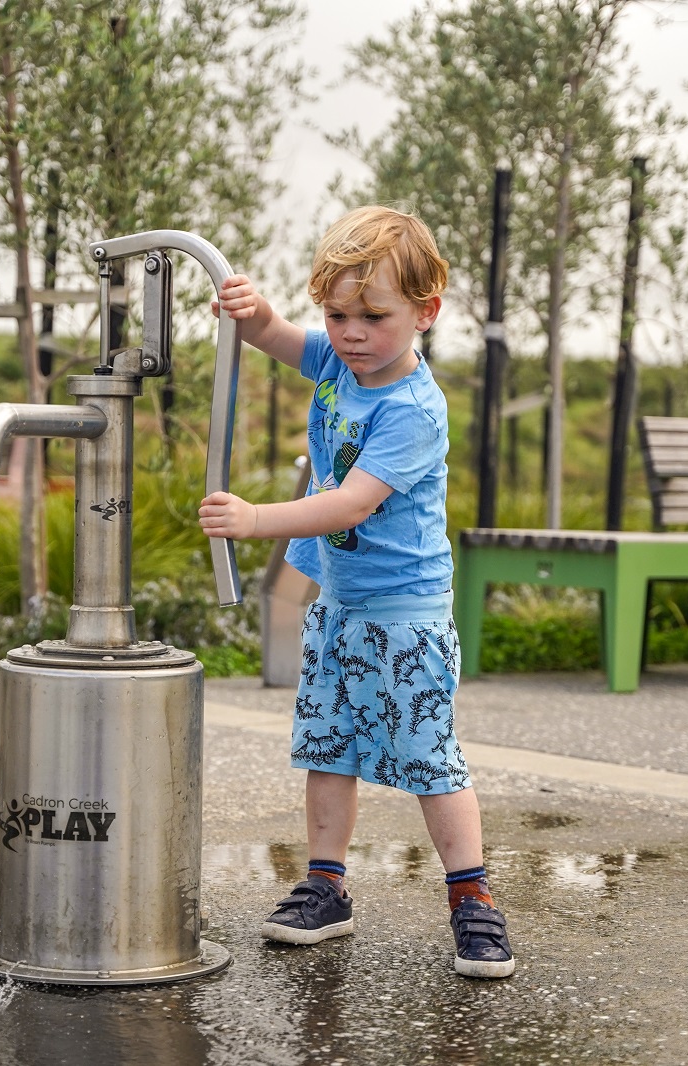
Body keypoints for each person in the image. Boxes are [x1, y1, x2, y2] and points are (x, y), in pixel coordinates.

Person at [198, 205, 514, 979]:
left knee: (428, 758)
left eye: (373, 316)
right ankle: (326, 886)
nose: (350, 332)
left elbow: (349, 503)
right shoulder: (342, 363)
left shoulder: (412, 408)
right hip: (338, 605)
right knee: (329, 746)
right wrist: (254, 313)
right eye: (336, 314)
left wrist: (258, 518)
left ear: (424, 313)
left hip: (404, 616)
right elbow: (276, 340)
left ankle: (472, 899)